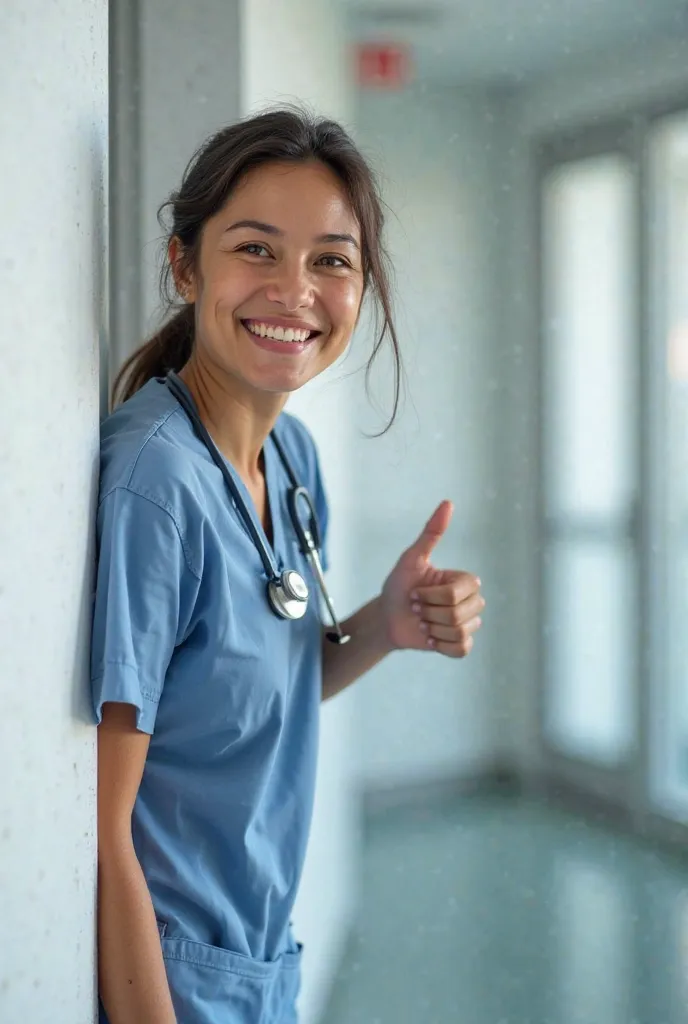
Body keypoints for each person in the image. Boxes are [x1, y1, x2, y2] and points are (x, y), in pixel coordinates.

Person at [92, 107, 485, 1024]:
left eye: (331, 260)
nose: (294, 291)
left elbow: (259, 689)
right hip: (169, 973)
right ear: (186, 265)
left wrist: (383, 626)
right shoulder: (155, 485)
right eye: (256, 250)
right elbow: (105, 825)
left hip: (262, 957)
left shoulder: (293, 460)